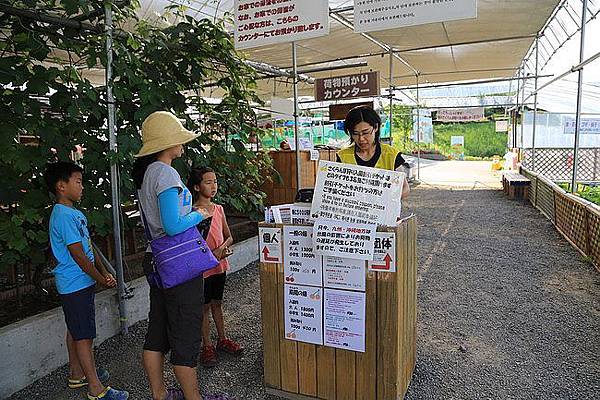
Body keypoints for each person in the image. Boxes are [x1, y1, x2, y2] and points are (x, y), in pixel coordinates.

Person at [132, 111, 231, 400]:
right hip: (178, 263)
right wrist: (199, 212)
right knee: (185, 335)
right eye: (178, 138)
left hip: (157, 259)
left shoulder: (147, 173)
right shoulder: (165, 173)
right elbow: (172, 224)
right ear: (167, 142)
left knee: (157, 332)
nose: (182, 144)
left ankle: (159, 395)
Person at [45, 161, 129, 400]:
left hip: (79, 284)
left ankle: (77, 373)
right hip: (74, 284)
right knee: (84, 335)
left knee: (75, 329)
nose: (82, 187)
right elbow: (78, 256)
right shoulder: (62, 215)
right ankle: (96, 388)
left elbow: (88, 246)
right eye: (78, 182)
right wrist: (101, 279)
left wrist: (104, 271)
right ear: (62, 186)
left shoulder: (74, 214)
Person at [187, 167, 243, 368]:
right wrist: (212, 254)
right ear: (196, 186)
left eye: (215, 181)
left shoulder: (218, 209)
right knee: (203, 307)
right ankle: (207, 346)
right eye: (208, 182)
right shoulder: (191, 213)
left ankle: (222, 339)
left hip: (219, 266)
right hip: (202, 269)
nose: (213, 186)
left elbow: (229, 236)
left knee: (217, 303)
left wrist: (221, 250)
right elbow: (190, 244)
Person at [336, 106, 410, 199]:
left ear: (376, 127)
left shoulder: (391, 155)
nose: (361, 139)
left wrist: (388, 200)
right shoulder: (343, 156)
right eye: (355, 133)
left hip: (384, 211)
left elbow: (405, 188)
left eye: (365, 132)